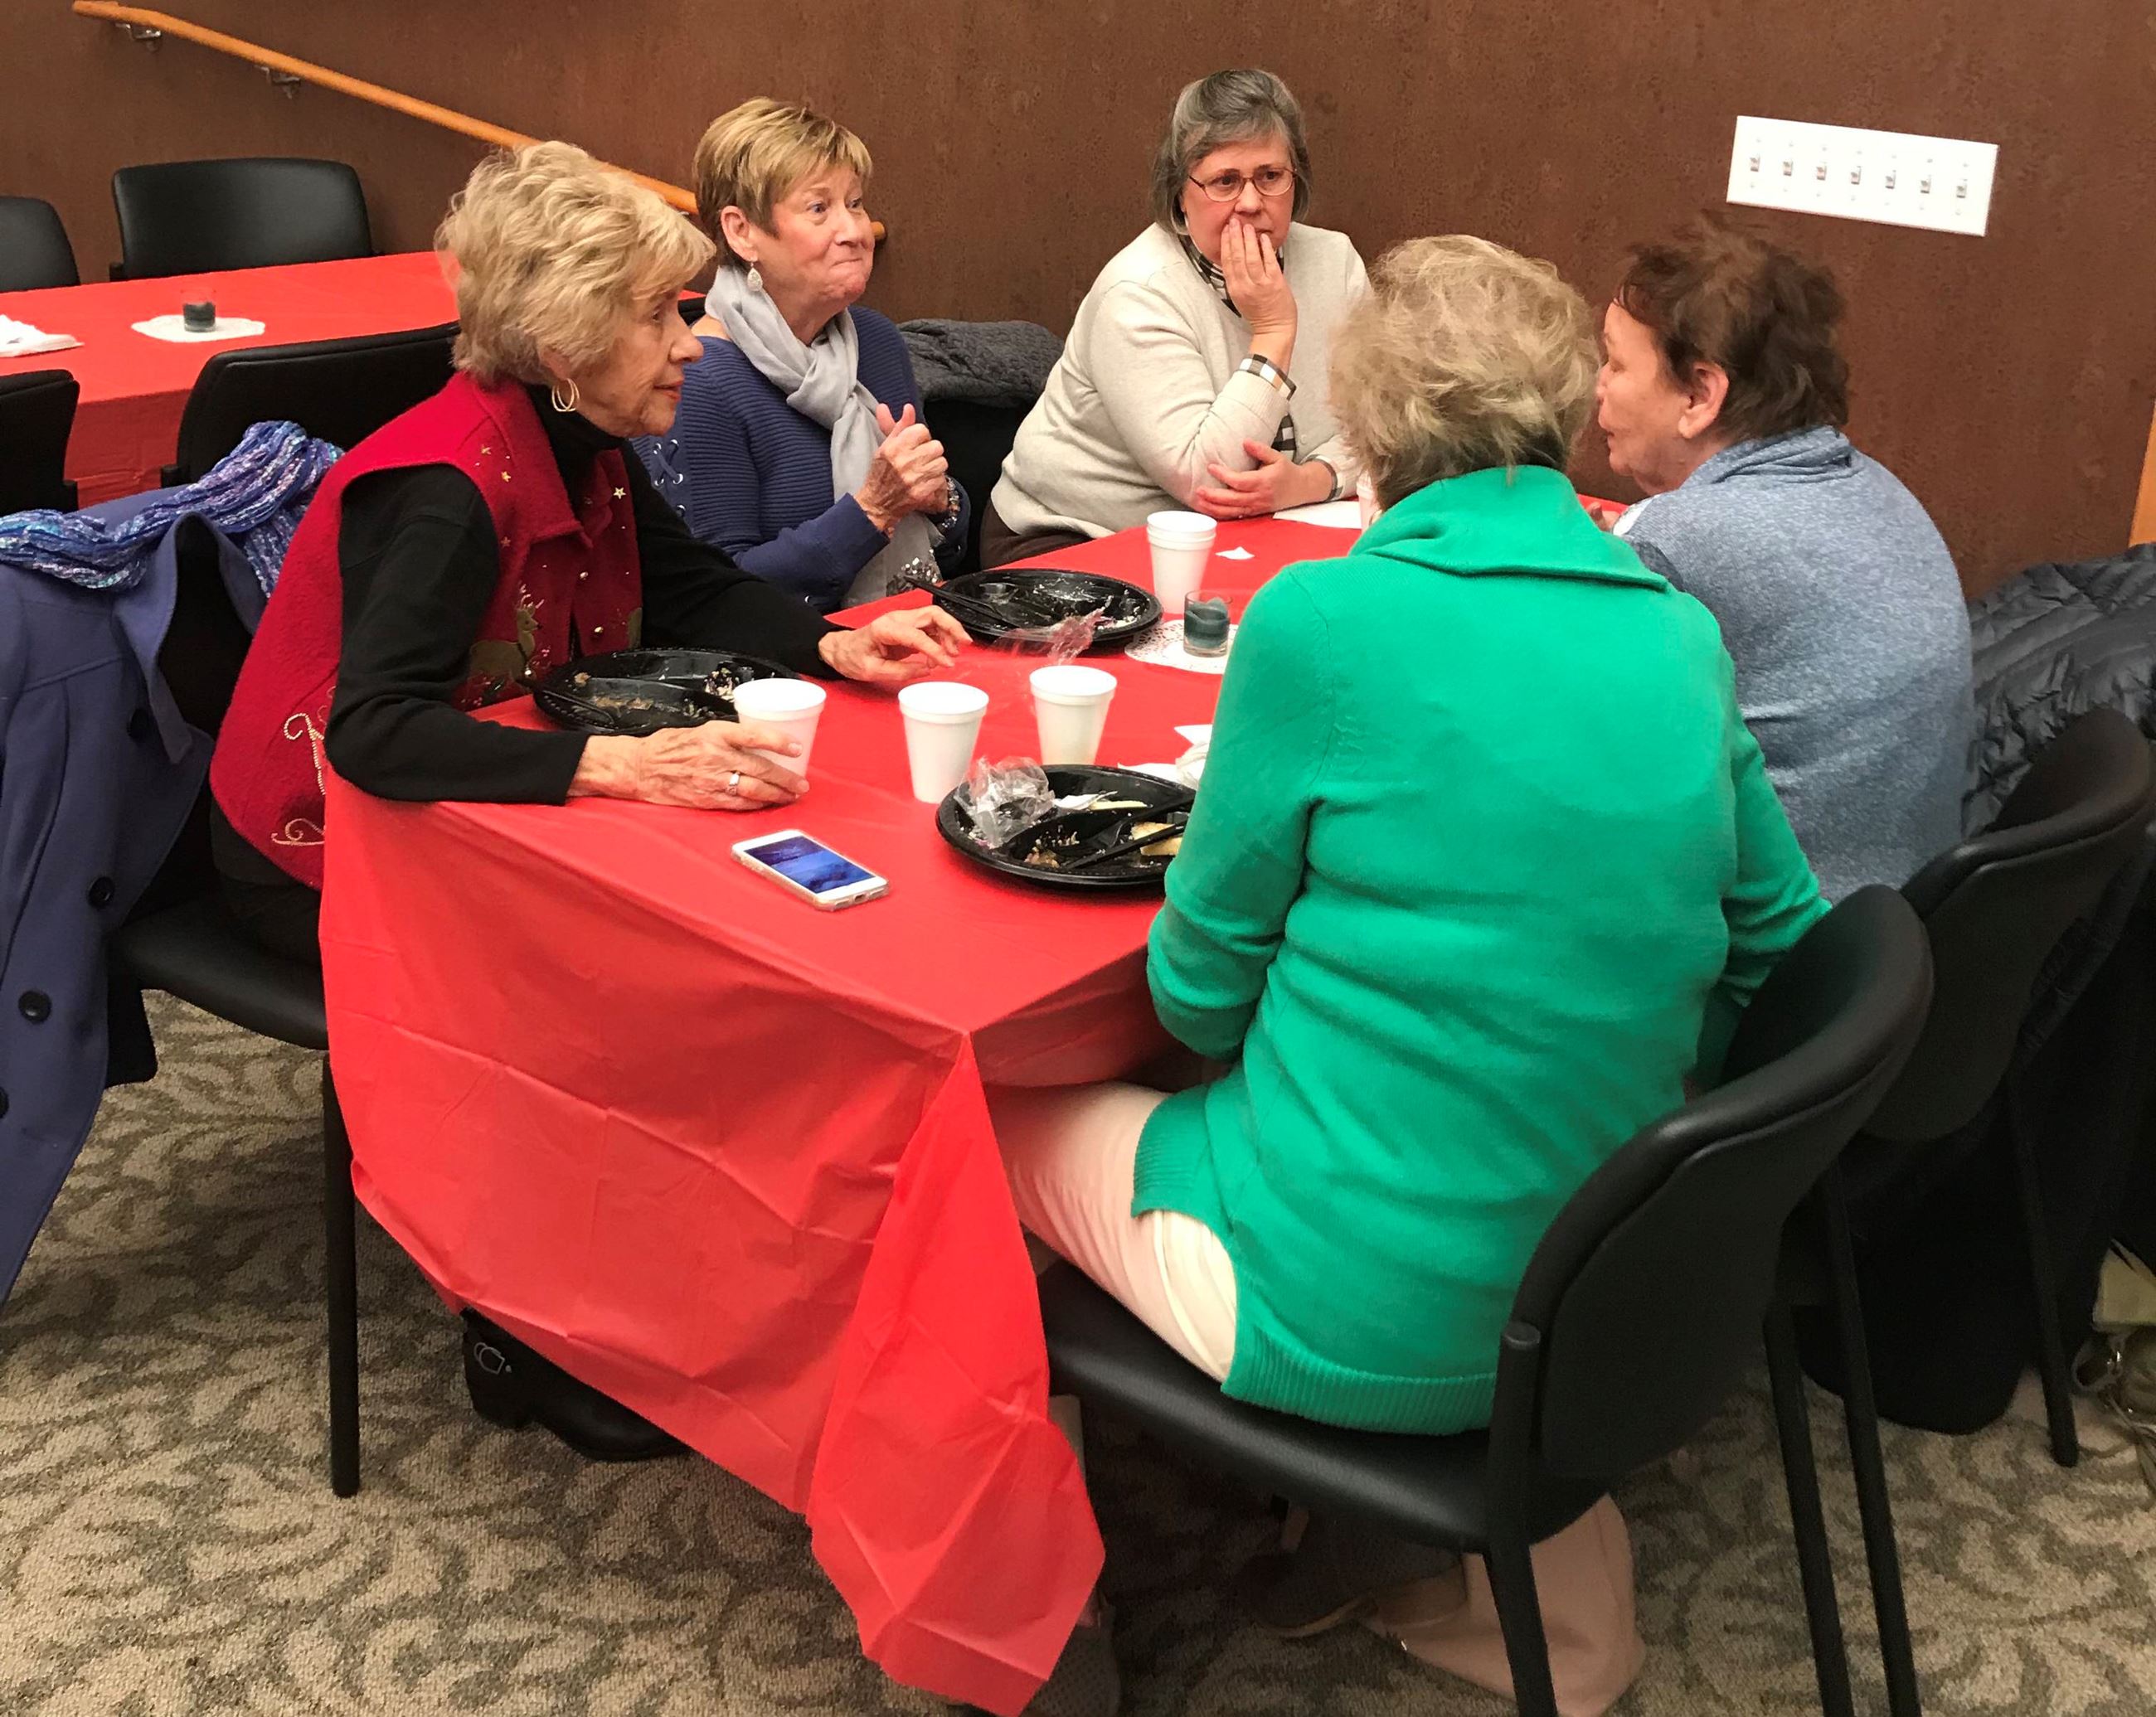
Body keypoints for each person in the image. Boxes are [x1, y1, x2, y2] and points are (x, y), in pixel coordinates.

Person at [987, 236, 1828, 1715]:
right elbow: (1786, 941)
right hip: (1612, 1284)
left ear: (1368, 429)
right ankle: (1363, 1544)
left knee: (967, 1124)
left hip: (1359, 1307)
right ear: (1565, 410)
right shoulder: (1677, 632)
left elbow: (1191, 1002)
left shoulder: (1326, 621)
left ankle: (1035, 1635)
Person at [207, 143, 966, 1460]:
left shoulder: (585, 436)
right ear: (563, 335)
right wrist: (614, 764)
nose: (690, 343)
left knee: (682, 942)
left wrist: (826, 642)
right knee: (592, 976)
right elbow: (374, 732)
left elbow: (685, 588)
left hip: (462, 812)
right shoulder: (449, 487)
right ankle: (512, 1326)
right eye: (661, 314)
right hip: (314, 850)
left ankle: (674, 1285)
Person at [1597, 213, 1974, 900]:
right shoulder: (1877, 487)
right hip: (1889, 942)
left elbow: (1561, 751)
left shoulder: (1675, 541)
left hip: (1780, 956)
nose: (1599, 386)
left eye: (1617, 363)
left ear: (1700, 395)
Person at [983, 68, 1367, 565]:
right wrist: (1273, 331)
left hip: (1258, 534)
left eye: (1271, 176)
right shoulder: (1137, 292)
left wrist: (1313, 480)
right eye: (1225, 181)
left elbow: (1385, 426)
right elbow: (1210, 482)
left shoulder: (1336, 263)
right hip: (1074, 536)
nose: (1251, 203)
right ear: (1180, 197)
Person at [634, 99, 966, 613]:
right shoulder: (699, 380)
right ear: (742, 231)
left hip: (913, 628)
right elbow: (712, 599)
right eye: (819, 209)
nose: (855, 231)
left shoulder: (876, 342)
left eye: (855, 203)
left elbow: (950, 533)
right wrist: (872, 510)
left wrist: (937, 495)